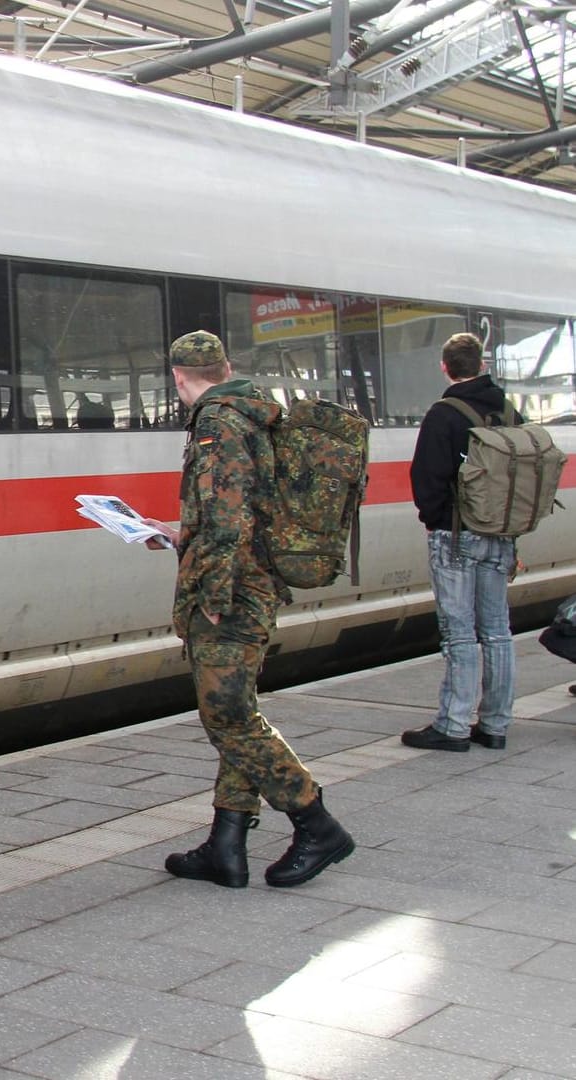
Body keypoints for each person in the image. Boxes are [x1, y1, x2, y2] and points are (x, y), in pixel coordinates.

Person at [144, 331, 354, 889]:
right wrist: (176, 531)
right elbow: (242, 511)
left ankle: (316, 822)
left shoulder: (217, 422)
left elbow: (228, 520)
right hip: (255, 582)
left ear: (178, 377)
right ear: (226, 366)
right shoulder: (254, 411)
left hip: (232, 594)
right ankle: (226, 845)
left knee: (228, 716)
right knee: (235, 710)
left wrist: (211, 596)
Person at [404, 331, 516, 751]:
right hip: (501, 534)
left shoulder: (444, 413)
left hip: (456, 536)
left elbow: (427, 477)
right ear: (482, 364)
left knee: (460, 634)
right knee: (498, 632)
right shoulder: (507, 409)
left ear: (445, 367)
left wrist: (433, 521)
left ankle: (453, 726)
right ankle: (495, 724)